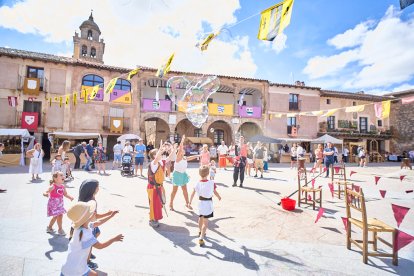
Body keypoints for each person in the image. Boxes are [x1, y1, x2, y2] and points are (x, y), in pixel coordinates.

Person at [61, 201, 124, 276]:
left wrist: (111, 216)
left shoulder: (79, 227)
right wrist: (114, 239)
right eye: (90, 212)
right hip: (77, 270)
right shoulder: (86, 234)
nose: (93, 212)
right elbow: (101, 246)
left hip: (66, 268)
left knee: (94, 274)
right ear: (86, 218)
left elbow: (98, 222)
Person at [74, 179, 119, 270]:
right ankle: (87, 261)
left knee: (97, 234)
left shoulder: (88, 198)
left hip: (89, 224)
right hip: (88, 225)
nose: (99, 188)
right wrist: (108, 214)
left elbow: (94, 217)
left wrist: (108, 214)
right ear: (92, 189)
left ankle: (89, 250)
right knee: (89, 243)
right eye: (97, 187)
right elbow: (95, 217)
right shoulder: (91, 202)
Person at [189, 165, 221, 247]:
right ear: (208, 174)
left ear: (199, 174)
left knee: (200, 217)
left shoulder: (197, 183)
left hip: (200, 203)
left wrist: (189, 202)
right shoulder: (211, 182)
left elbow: (192, 193)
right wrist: (218, 197)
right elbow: (215, 192)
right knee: (205, 222)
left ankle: (199, 231)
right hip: (208, 204)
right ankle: (201, 237)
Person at [170, 135, 199, 211]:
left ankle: (187, 203)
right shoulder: (178, 158)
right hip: (177, 175)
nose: (183, 150)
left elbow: (190, 158)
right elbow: (180, 149)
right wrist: (182, 141)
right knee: (174, 191)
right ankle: (171, 204)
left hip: (183, 175)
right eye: (182, 150)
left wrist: (198, 155)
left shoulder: (184, 157)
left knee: (185, 190)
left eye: (183, 150)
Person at [147, 143, 169, 228]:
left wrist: (172, 149)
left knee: (157, 204)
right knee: (153, 205)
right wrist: (160, 149)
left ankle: (155, 218)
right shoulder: (154, 163)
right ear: (154, 156)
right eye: (158, 152)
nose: (160, 153)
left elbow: (170, 158)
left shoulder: (160, 162)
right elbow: (156, 158)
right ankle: (152, 220)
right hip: (153, 188)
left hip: (158, 186)